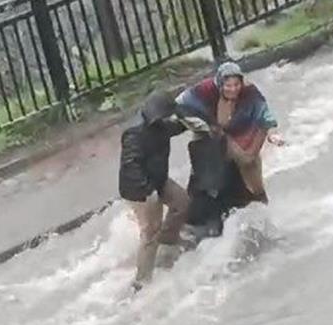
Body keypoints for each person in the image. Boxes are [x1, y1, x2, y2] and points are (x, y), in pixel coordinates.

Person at [174, 60, 283, 237]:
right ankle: (203, 224)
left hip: (242, 140)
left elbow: (265, 119)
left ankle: (266, 223)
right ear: (219, 83)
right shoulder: (206, 91)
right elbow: (180, 105)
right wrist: (205, 126)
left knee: (255, 188)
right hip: (211, 140)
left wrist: (252, 152)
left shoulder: (250, 94)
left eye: (236, 84)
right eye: (228, 85)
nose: (233, 89)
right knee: (208, 183)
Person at [118, 89, 189, 290]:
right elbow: (131, 165)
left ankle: (168, 243)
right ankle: (141, 281)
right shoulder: (134, 133)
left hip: (158, 179)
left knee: (182, 203)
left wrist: (189, 117)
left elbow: (177, 126)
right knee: (150, 231)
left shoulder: (160, 124)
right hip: (139, 189)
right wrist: (148, 191)